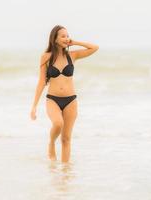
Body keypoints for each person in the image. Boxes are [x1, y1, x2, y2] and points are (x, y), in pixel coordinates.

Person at [30, 25, 99, 163]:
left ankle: (65, 172)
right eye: (63, 36)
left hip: (71, 100)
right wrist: (34, 106)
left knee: (66, 139)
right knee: (58, 123)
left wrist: (75, 42)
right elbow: (41, 82)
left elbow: (94, 48)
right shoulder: (46, 57)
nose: (66, 38)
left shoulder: (73, 55)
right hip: (53, 100)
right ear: (54, 39)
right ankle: (51, 143)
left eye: (67, 36)